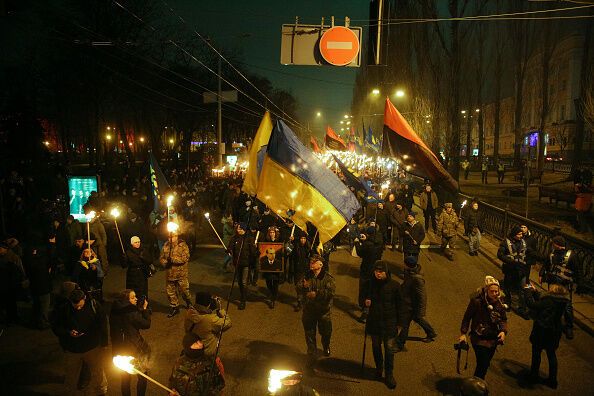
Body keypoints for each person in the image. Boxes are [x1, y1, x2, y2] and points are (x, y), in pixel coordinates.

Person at [51, 287, 109, 395]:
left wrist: (104, 343)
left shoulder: (94, 306)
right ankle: (69, 392)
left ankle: (101, 391)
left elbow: (102, 324)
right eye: (75, 306)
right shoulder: (64, 309)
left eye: (80, 305)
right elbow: (56, 326)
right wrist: (68, 332)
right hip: (73, 349)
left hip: (92, 347)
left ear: (84, 298)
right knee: (71, 375)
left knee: (98, 372)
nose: (78, 308)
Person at [364, 261, 403, 390]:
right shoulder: (370, 284)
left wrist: (400, 323)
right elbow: (362, 298)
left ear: (386, 272)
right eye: (376, 271)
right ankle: (379, 369)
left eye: (381, 271)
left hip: (389, 323)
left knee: (389, 350)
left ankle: (389, 375)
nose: (378, 274)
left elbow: (400, 306)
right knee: (376, 347)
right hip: (374, 322)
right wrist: (366, 302)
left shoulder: (395, 286)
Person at [459, 276, 508, 379]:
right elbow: (467, 317)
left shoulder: (500, 303)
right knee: (483, 363)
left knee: (485, 364)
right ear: (486, 291)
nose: (495, 294)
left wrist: (503, 331)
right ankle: (476, 386)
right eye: (492, 291)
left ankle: (478, 383)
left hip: (493, 339)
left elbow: (503, 319)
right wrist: (463, 333)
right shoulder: (476, 302)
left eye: (496, 291)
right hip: (478, 339)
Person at [523, 283, 570, 389]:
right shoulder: (563, 302)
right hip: (554, 332)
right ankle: (552, 380)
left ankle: (533, 376)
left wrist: (527, 291)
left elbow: (532, 305)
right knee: (551, 355)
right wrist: (535, 291)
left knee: (536, 353)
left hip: (542, 330)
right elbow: (542, 303)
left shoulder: (549, 301)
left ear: (553, 290)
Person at [539, 235, 583, 340]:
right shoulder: (552, 254)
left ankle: (569, 327)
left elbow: (578, 271)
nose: (552, 245)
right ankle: (553, 322)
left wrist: (579, 285)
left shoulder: (571, 255)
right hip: (553, 283)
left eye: (554, 243)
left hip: (564, 285)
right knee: (552, 302)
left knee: (567, 306)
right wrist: (541, 274)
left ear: (558, 244)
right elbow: (546, 264)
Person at [110, 289, 152, 396]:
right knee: (142, 375)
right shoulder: (131, 313)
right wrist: (145, 309)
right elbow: (146, 324)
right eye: (133, 297)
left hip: (120, 349)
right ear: (126, 300)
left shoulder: (115, 310)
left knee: (125, 378)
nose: (136, 299)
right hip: (135, 349)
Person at [297, 254, 335, 362]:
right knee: (309, 332)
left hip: (323, 311)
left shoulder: (327, 278)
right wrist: (302, 287)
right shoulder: (307, 275)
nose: (311, 264)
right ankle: (311, 352)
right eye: (311, 262)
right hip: (309, 310)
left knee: (326, 332)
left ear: (320, 264)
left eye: (314, 262)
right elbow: (298, 287)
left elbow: (330, 293)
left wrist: (317, 294)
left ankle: (326, 345)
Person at [397, 256, 436, 350]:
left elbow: (422, 296)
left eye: (404, 263)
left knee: (405, 324)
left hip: (411, 305)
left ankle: (400, 344)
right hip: (409, 302)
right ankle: (431, 333)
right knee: (418, 319)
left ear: (407, 265)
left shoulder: (417, 278)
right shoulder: (409, 272)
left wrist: (421, 312)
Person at [185, 291, 232, 359]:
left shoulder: (188, 314)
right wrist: (220, 309)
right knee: (219, 368)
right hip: (207, 354)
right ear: (209, 304)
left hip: (192, 351)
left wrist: (209, 309)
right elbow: (228, 323)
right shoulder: (210, 320)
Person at [355, 225, 384, 323]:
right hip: (375, 267)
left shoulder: (368, 244)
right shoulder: (379, 242)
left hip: (366, 268)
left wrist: (357, 243)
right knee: (372, 289)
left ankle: (365, 311)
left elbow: (360, 253)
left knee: (364, 288)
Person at [160, 229, 191, 318]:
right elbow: (161, 257)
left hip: (181, 274)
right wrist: (165, 263)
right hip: (170, 274)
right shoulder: (166, 245)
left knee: (184, 291)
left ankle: (189, 303)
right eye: (169, 237)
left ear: (176, 237)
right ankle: (175, 307)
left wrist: (173, 260)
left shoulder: (183, 246)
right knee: (170, 292)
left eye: (173, 237)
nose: (171, 238)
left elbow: (185, 258)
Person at [497, 226, 528, 315]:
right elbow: (500, 255)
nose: (521, 236)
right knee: (508, 288)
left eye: (521, 234)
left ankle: (522, 308)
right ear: (514, 234)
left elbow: (527, 252)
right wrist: (511, 262)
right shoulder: (505, 243)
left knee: (522, 289)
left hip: (521, 270)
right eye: (519, 234)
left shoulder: (523, 242)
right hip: (510, 270)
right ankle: (508, 303)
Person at [227, 222, 257, 310]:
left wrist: (255, 252)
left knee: (244, 282)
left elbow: (253, 251)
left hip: (246, 264)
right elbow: (230, 247)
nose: (238, 230)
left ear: (243, 229)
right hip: (237, 263)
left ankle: (243, 301)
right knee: (239, 281)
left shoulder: (249, 239)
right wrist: (229, 250)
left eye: (240, 229)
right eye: (237, 228)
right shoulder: (234, 238)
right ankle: (243, 293)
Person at [0, 240, 27, 324]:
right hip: (6, 284)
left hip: (12, 283)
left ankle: (12, 317)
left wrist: (23, 279)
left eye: (0, 248)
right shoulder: (7, 257)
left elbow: (21, 269)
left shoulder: (14, 257)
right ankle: (12, 317)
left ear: (6, 248)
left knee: (11, 301)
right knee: (9, 302)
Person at [291, 234, 311, 312]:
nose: (302, 240)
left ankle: (306, 302)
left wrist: (311, 253)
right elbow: (292, 256)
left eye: (304, 238)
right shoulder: (296, 246)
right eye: (301, 238)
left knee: (306, 287)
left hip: (306, 270)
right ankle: (299, 303)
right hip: (298, 270)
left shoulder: (309, 247)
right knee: (298, 287)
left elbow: (313, 257)